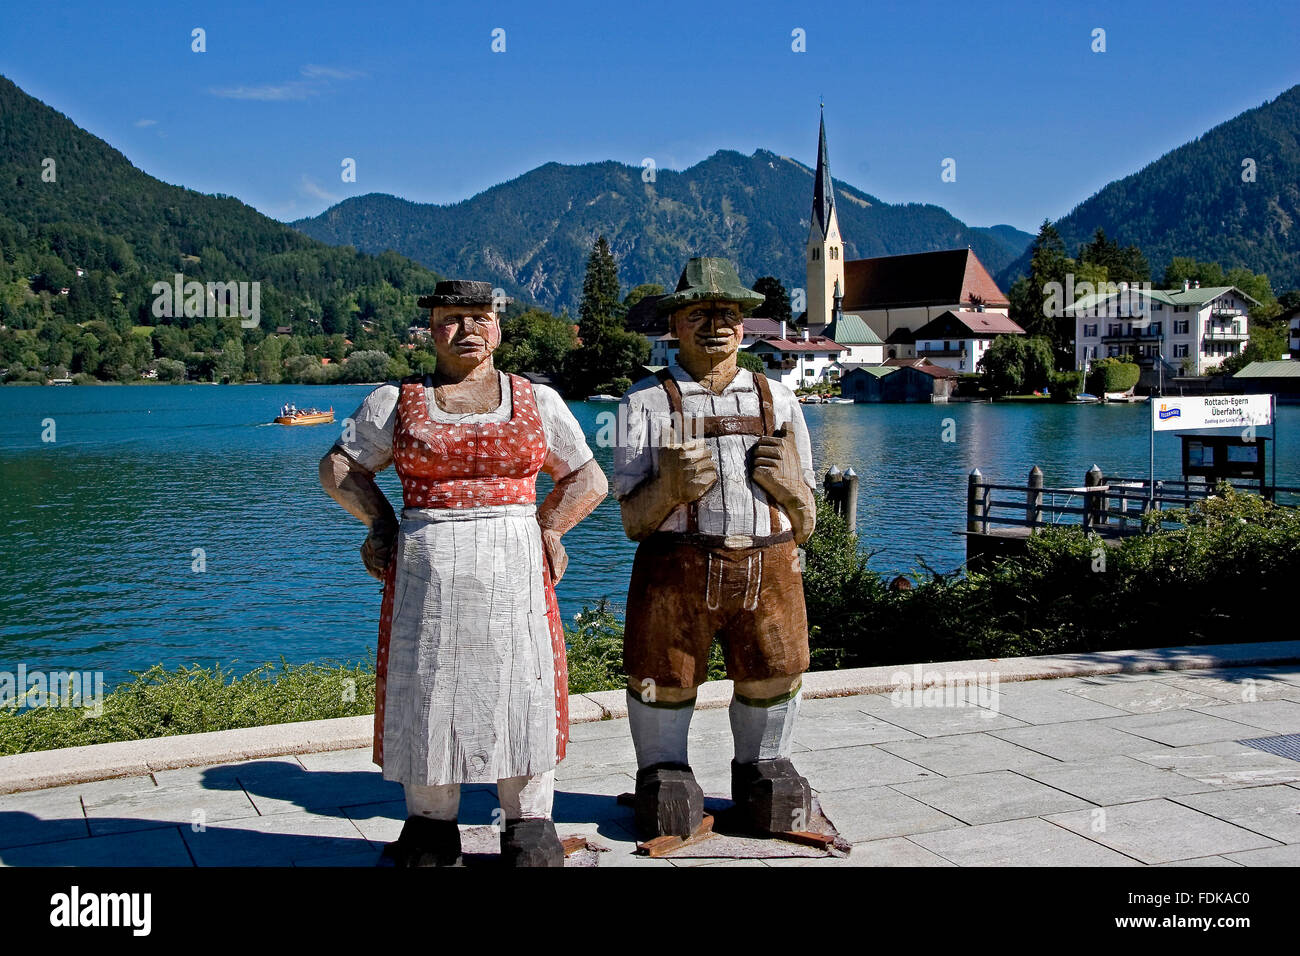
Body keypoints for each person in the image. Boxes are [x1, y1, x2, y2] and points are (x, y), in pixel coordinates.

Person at [319, 279, 607, 866]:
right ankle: (430, 827)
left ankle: (530, 825)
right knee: (427, 687)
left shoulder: (540, 401)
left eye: (480, 317)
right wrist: (380, 523)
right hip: (429, 571)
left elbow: (587, 478)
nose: (468, 329)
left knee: (523, 688)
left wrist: (548, 529)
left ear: (498, 329)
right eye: (452, 318)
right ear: (431, 330)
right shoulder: (392, 402)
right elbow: (339, 466)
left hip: (517, 570)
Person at [613, 258, 817, 839]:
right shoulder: (645, 403)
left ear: (744, 324)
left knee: (774, 669)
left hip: (771, 561)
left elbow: (807, 517)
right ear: (674, 324)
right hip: (675, 564)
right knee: (664, 674)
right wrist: (667, 490)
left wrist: (791, 490)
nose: (715, 325)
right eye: (698, 313)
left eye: (727, 313)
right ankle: (664, 772)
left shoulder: (779, 399)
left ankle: (763, 769)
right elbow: (631, 519)